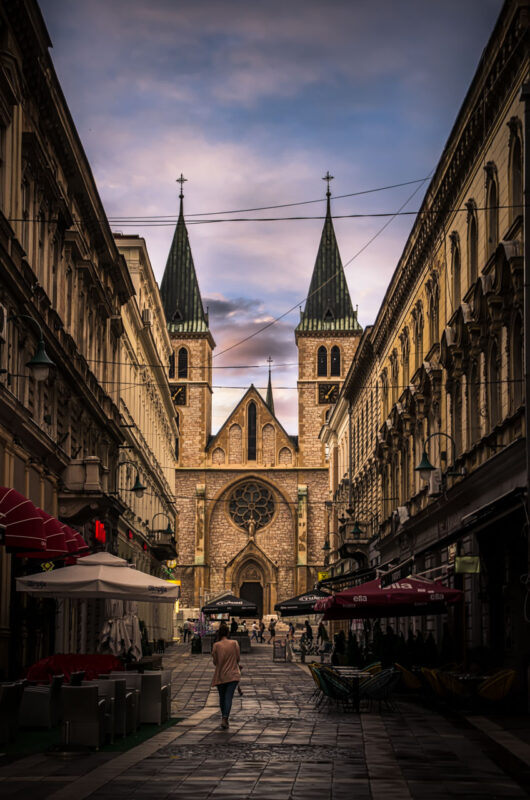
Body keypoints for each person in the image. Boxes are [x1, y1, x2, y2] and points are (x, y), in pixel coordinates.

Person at [212, 622, 241, 729]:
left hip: (221, 675)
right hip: (233, 675)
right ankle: (225, 718)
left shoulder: (216, 645)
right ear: (228, 633)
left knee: (222, 697)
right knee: (228, 697)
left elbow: (215, 662)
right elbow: (238, 659)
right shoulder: (234, 643)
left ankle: (224, 716)